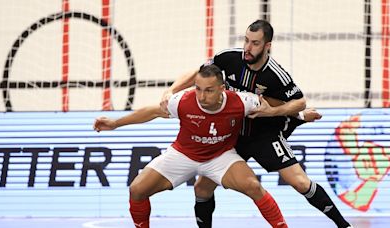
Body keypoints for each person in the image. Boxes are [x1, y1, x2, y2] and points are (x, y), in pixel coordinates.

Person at [160, 20, 352, 228]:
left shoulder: (276, 74)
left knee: (300, 182)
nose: (248, 48)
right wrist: (171, 90)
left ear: (267, 45)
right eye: (246, 40)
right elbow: (199, 73)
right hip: (232, 137)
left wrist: (274, 112)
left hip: (264, 136)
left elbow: (299, 101)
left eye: (255, 43)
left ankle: (344, 225)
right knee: (202, 189)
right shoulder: (229, 58)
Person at [94, 64, 288, 228]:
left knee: (253, 186)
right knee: (137, 189)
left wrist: (301, 115)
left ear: (222, 89)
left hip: (220, 157)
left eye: (209, 90)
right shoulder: (182, 101)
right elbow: (152, 112)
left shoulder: (242, 101)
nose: (202, 96)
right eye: (198, 88)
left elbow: (278, 104)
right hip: (182, 155)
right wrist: (115, 123)